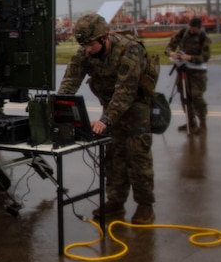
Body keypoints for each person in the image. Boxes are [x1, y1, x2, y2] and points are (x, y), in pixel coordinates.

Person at [58, 13, 155, 224]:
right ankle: (115, 201)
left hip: (136, 110)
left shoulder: (130, 50)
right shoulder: (86, 51)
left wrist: (105, 120)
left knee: (138, 157)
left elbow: (126, 91)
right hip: (110, 109)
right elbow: (70, 80)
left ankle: (145, 205)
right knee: (113, 158)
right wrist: (59, 107)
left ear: (104, 38)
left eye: (91, 44)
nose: (87, 49)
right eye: (84, 45)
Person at [165, 17, 212, 134]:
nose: (191, 31)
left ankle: (202, 123)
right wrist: (171, 53)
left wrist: (190, 58)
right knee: (185, 97)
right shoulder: (182, 33)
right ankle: (190, 123)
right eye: (190, 28)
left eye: (194, 29)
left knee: (197, 97)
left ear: (199, 28)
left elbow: (205, 57)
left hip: (197, 72)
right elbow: (168, 47)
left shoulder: (203, 38)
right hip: (183, 70)